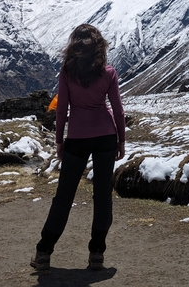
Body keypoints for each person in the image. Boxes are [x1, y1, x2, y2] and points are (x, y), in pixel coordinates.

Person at [30, 24, 125, 271]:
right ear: (99, 48)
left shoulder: (67, 73)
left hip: (77, 138)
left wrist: (59, 140)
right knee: (102, 196)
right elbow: (117, 109)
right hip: (106, 137)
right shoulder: (109, 73)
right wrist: (121, 140)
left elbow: (61, 109)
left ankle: (43, 253)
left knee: (64, 195)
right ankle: (96, 255)